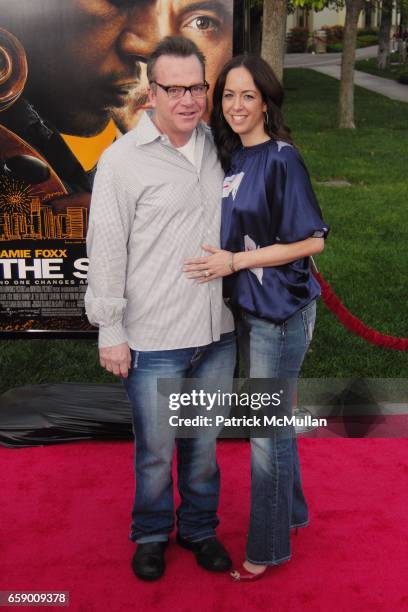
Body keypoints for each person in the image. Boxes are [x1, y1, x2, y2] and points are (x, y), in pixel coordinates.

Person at [85, 36, 236, 581]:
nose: (188, 99)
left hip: (218, 330)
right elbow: (104, 247)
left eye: (197, 86)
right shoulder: (121, 161)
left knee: (203, 447)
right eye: (174, 88)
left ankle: (199, 528)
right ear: (152, 94)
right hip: (153, 339)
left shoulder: (222, 145)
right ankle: (150, 534)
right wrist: (111, 331)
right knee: (155, 451)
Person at [183, 54, 329, 581]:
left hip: (282, 313)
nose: (236, 105)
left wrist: (235, 262)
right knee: (274, 424)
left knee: (265, 434)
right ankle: (292, 514)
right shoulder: (236, 157)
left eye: (247, 95)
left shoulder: (281, 158)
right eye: (228, 95)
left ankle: (265, 549)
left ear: (266, 100)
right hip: (252, 309)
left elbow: (312, 239)